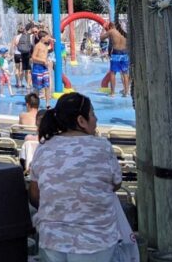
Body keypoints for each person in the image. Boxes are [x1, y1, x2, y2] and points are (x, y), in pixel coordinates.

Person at [28, 92, 124, 262]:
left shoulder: (43, 148)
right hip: (96, 240)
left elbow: (35, 195)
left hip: (52, 239)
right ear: (81, 121)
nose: (96, 119)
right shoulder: (102, 147)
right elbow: (116, 183)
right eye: (92, 114)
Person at [106, 22, 130, 97]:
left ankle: (112, 93)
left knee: (113, 73)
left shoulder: (112, 33)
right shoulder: (124, 33)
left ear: (111, 27)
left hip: (116, 53)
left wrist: (109, 54)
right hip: (125, 54)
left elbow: (110, 45)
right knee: (124, 73)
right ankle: (126, 91)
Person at [30, 32, 53, 108]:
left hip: (44, 68)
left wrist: (47, 61)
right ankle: (35, 104)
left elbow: (45, 57)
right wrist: (43, 60)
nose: (48, 38)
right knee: (37, 88)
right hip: (37, 69)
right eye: (47, 37)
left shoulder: (45, 46)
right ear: (42, 38)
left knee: (47, 86)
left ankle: (47, 104)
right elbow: (33, 57)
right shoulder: (37, 46)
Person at [15, 26, 33, 90]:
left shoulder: (17, 36)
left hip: (19, 53)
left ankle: (19, 82)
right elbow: (31, 45)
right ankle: (28, 84)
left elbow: (15, 44)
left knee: (19, 69)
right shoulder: (29, 36)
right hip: (27, 54)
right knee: (28, 70)